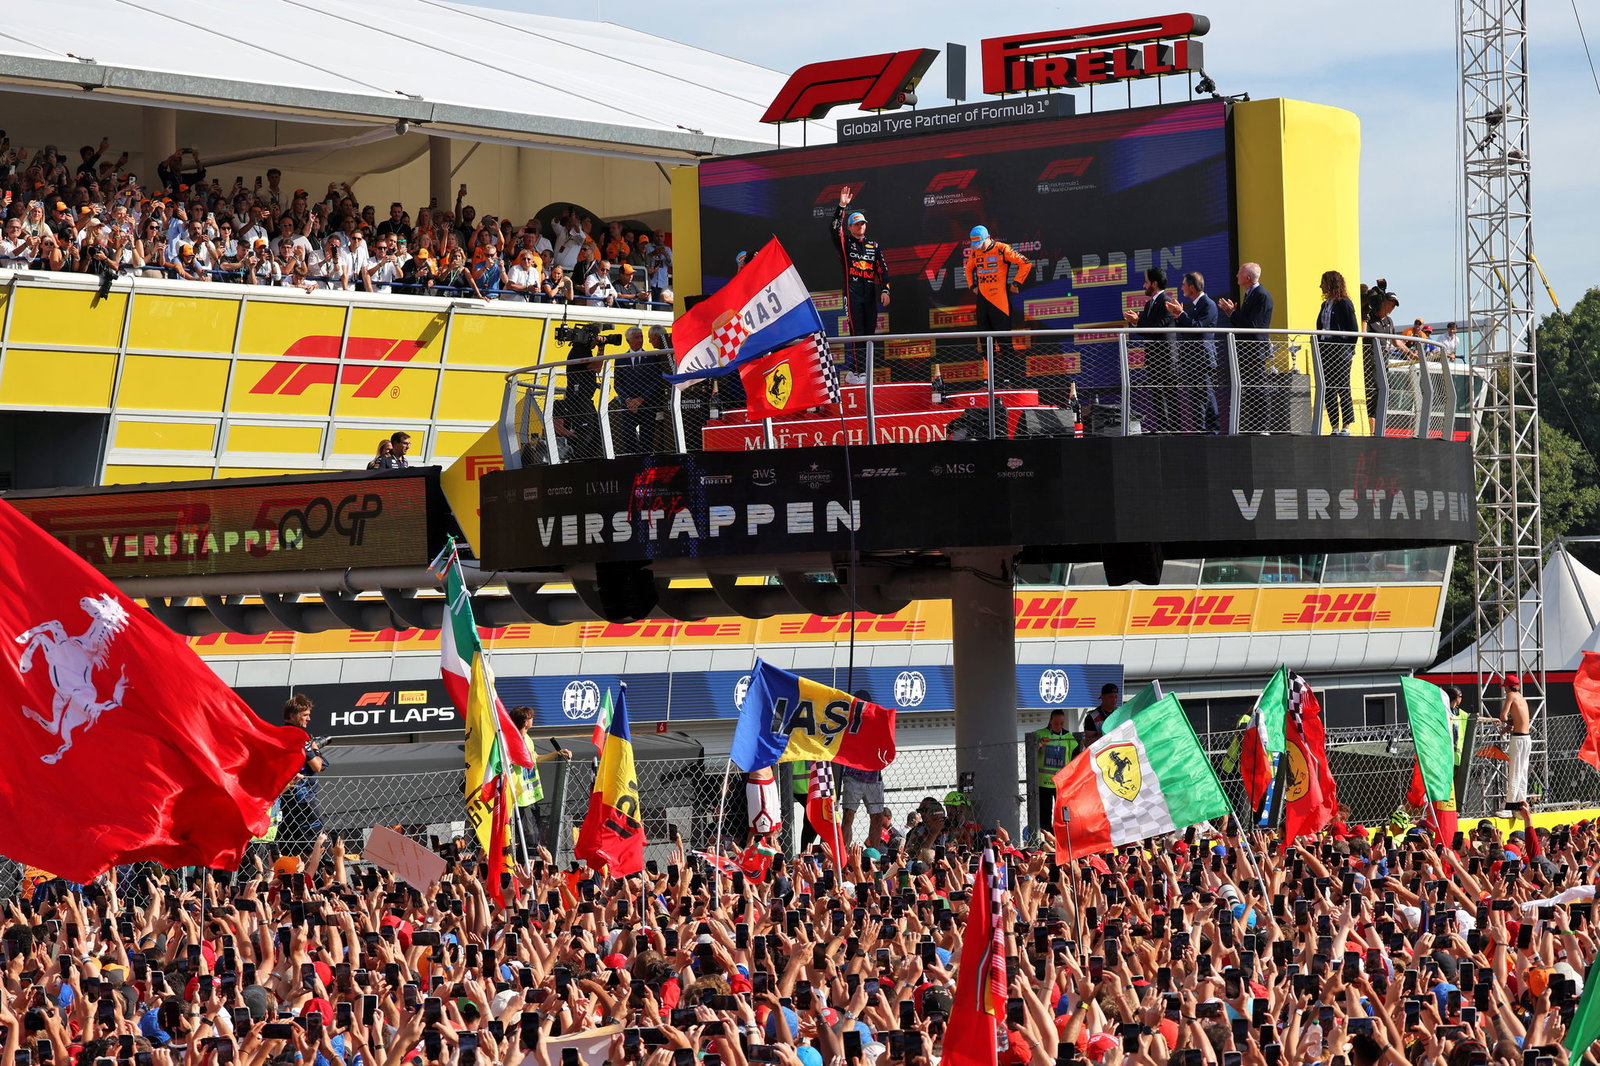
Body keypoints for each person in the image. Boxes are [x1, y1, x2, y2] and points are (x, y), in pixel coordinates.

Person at [829, 186, 889, 385]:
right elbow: (834, 229)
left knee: (869, 333)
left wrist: (885, 290)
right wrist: (841, 206)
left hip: (869, 293)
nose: (860, 227)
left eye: (863, 224)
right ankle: (860, 372)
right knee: (857, 332)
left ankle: (859, 371)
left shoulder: (874, 246)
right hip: (852, 292)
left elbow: (882, 270)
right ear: (850, 227)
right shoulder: (845, 243)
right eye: (856, 224)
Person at [1216, 262, 1275, 432]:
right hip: (1247, 349)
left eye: (1239, 273)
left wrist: (1233, 313)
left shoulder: (1261, 295)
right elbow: (1244, 322)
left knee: (1258, 387)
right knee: (1249, 388)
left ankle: (1262, 426)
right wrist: (1232, 313)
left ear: (1248, 277)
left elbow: (1252, 325)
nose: (1236, 276)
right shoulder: (1250, 294)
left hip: (1255, 349)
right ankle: (1254, 425)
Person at [505, 705, 571, 850]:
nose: (533, 720)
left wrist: (557, 753)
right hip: (521, 798)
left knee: (535, 834)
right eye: (531, 718)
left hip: (532, 795)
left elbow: (535, 758)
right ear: (525, 722)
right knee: (530, 837)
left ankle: (529, 859)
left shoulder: (527, 739)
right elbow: (515, 761)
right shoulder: (512, 741)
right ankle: (526, 861)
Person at [1166, 271, 1220, 432]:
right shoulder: (1195, 305)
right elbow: (1188, 328)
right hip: (1192, 359)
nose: (1181, 287)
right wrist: (1179, 315)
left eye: (1183, 285)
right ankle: (1200, 429)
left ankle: (1212, 430)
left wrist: (1181, 314)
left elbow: (1198, 328)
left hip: (1202, 359)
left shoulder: (1208, 304)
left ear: (1191, 287)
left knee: (1205, 395)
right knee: (1196, 397)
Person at [965, 224, 1032, 354]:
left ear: (988, 237)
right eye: (976, 245)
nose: (979, 247)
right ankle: (988, 368)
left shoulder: (1002, 248)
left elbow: (1026, 263)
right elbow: (968, 269)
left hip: (1000, 302)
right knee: (985, 344)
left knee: (1005, 343)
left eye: (981, 244)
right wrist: (972, 286)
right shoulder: (974, 252)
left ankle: (1009, 369)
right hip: (982, 302)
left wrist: (1016, 283)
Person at [1125, 267, 1177, 430]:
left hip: (1166, 358)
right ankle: (1162, 428)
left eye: (1146, 282)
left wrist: (1138, 321)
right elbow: (1145, 330)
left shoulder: (1166, 302)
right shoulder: (1149, 304)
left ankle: (1175, 430)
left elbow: (1158, 327)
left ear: (1154, 284)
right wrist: (1135, 322)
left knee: (1170, 395)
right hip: (1153, 358)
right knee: (1156, 396)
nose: (1144, 285)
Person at [278, 693, 325, 853]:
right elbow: (317, 766)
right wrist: (315, 749)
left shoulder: (279, 734)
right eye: (305, 715)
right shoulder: (301, 737)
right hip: (304, 800)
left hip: (285, 799)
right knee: (316, 846)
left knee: (289, 849)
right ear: (292, 716)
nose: (309, 719)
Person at [1316, 269, 1360, 435]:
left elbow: (1353, 329)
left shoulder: (1345, 303)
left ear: (1331, 283)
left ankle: (1346, 426)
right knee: (1329, 387)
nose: (1320, 286)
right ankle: (1334, 425)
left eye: (1323, 282)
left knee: (1342, 386)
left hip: (1340, 350)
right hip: (1326, 349)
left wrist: (1349, 349)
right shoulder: (1325, 305)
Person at [611, 326, 665, 455]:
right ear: (628, 340)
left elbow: (656, 381)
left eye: (641, 337)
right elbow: (618, 384)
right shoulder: (620, 359)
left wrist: (641, 399)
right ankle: (631, 461)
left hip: (647, 404)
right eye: (636, 337)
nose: (640, 340)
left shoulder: (652, 357)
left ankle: (646, 461)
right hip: (628, 406)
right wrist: (628, 400)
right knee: (628, 437)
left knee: (647, 438)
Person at [1032, 708, 1077, 834]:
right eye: (1056, 723)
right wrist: (1039, 745)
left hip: (1061, 783)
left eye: (1061, 723)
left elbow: (1075, 758)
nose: (1059, 726)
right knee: (1045, 814)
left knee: (1063, 813)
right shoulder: (1040, 734)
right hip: (1044, 783)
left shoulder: (1069, 737)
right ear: (1050, 721)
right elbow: (1030, 752)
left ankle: (1062, 836)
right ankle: (1047, 837)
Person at [1495, 675, 1532, 814]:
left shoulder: (1510, 695)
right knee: (1522, 773)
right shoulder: (1521, 697)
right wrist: (1512, 722)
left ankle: (1509, 808)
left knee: (1514, 773)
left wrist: (1507, 722)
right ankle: (1520, 807)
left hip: (1518, 739)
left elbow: (1503, 716)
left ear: (1507, 686)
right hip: (1527, 738)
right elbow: (1521, 718)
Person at [1081, 682, 1120, 747]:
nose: (1114, 700)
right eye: (1110, 697)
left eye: (1116, 697)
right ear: (1102, 698)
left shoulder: (1120, 714)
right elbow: (1088, 744)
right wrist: (1107, 733)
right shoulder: (1091, 717)